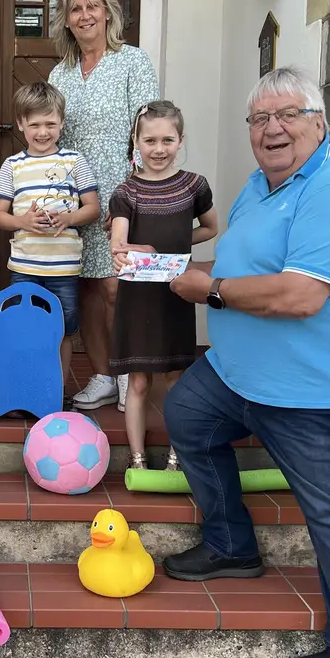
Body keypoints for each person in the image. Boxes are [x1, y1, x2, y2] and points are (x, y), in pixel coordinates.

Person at [161, 67, 330, 658]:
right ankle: (231, 546)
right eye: (260, 118)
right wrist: (173, 267)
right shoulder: (260, 185)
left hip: (313, 387)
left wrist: (209, 289)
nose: (273, 128)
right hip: (239, 372)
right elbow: (239, 262)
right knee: (188, 415)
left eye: (289, 114)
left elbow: (299, 295)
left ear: (318, 123)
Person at [46, 0, 161, 414]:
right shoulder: (60, 73)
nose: (85, 15)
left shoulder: (132, 61)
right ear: (66, 20)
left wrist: (134, 195)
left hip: (121, 194)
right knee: (86, 290)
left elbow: (148, 131)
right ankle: (102, 376)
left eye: (92, 6)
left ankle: (129, 373)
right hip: (75, 198)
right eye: (75, 9)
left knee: (117, 288)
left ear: (108, 13)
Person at [107, 100, 218, 471]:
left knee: (176, 380)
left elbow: (211, 228)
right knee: (138, 383)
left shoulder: (194, 186)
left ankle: (176, 457)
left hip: (176, 295)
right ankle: (137, 459)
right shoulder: (126, 192)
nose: (158, 149)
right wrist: (134, 251)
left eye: (167, 140)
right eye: (149, 140)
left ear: (180, 140)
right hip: (138, 298)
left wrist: (177, 249)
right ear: (136, 142)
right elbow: (118, 242)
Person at [0, 82, 101, 392]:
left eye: (50, 124)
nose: (42, 132)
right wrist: (23, 221)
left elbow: (93, 208)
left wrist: (69, 218)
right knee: (24, 329)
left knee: (62, 331)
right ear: (21, 124)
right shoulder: (12, 165)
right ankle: (26, 388)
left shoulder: (74, 161)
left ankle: (55, 392)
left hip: (64, 269)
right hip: (25, 267)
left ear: (62, 122)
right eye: (35, 124)